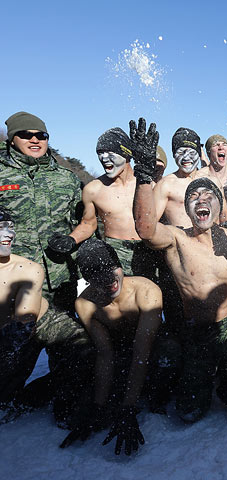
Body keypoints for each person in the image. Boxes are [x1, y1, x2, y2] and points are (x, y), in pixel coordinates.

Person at [130, 118, 227, 423]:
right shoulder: (176, 238)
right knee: (188, 411)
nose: (201, 201)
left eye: (208, 198)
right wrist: (145, 175)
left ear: (219, 207)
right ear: (186, 208)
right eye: (193, 198)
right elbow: (146, 229)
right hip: (196, 331)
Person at [0, 111, 93, 425]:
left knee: (70, 349)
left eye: (41, 135)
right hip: (15, 285)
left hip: (59, 279)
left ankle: (64, 399)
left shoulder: (65, 177)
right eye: (26, 135)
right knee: (14, 353)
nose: (35, 140)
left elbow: (86, 221)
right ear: (12, 137)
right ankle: (6, 398)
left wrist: (72, 239)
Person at [60, 239, 179, 455]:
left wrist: (128, 408)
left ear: (120, 266)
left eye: (111, 268)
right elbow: (105, 355)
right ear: (87, 279)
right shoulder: (85, 304)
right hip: (121, 354)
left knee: (169, 353)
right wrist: (98, 404)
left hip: (150, 350)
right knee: (73, 403)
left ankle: (156, 394)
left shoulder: (145, 290)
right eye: (97, 275)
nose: (109, 280)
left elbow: (142, 353)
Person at [52, 128, 156, 278]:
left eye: (110, 153)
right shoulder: (93, 189)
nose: (104, 158)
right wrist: (71, 239)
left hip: (150, 250)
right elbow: (88, 224)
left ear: (126, 153)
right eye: (100, 153)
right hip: (116, 252)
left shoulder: (148, 185)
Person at [0, 206, 48, 410]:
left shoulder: (27, 270)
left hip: (21, 340)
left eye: (11, 227)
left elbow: (20, 331)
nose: (9, 234)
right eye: (1, 227)